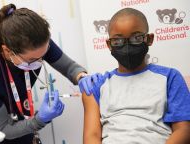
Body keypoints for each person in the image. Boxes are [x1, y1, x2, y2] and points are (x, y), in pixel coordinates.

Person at [0, 3, 88, 143]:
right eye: (32, 59)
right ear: (7, 51)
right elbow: (4, 129)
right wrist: (39, 120)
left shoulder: (37, 43)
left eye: (42, 56)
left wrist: (82, 77)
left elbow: (70, 68)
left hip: (16, 111)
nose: (40, 61)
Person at [80, 8, 190, 144]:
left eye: (136, 37)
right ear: (109, 44)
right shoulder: (95, 87)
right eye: (117, 40)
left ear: (149, 39)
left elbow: (184, 130)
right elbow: (92, 136)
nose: (126, 46)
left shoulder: (170, 78)